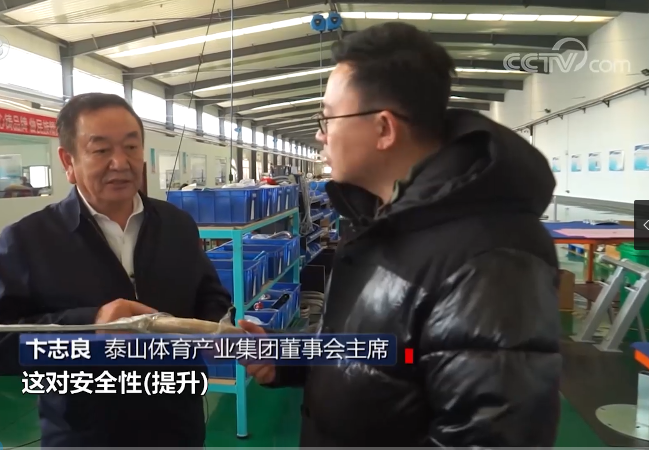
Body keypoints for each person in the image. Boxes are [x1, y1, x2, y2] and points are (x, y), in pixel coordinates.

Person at [240, 22, 562, 447]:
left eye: (328, 117)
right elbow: (381, 347)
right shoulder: (383, 221)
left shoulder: (492, 260)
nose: (320, 134)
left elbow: (488, 437)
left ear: (384, 129)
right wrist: (287, 359)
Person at [0, 93, 231, 447]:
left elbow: (209, 295)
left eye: (131, 147)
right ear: (68, 161)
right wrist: (91, 325)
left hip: (178, 427)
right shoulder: (29, 239)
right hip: (84, 435)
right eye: (101, 149)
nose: (120, 163)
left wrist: (221, 328)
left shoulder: (177, 224)